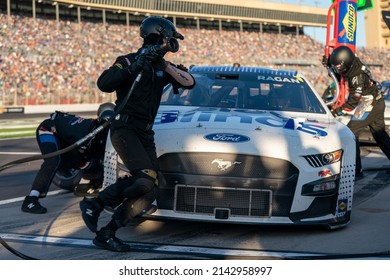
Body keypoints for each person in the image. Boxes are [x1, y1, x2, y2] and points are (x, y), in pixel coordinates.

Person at [79, 16, 195, 252]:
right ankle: (95, 202)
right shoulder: (128, 60)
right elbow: (104, 83)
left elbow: (190, 82)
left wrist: (164, 65)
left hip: (144, 133)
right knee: (143, 178)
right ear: (159, 35)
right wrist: (134, 66)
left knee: (150, 189)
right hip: (125, 128)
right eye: (168, 37)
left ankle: (107, 232)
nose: (171, 43)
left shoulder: (163, 68)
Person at [21, 103, 115, 214]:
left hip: (66, 139)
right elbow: (78, 154)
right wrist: (86, 165)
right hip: (48, 130)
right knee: (53, 159)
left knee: (92, 161)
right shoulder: (86, 130)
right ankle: (31, 199)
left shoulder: (100, 136)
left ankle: (88, 186)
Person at [325, 46, 390, 176]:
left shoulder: (357, 76)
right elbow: (338, 72)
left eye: (338, 66)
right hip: (374, 101)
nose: (337, 69)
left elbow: (353, 102)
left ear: (346, 63)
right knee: (380, 135)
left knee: (351, 132)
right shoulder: (353, 64)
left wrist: (337, 111)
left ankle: (355, 169)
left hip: (370, 103)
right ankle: (356, 168)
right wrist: (329, 64)